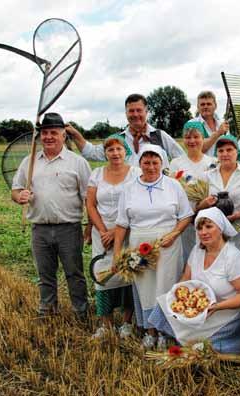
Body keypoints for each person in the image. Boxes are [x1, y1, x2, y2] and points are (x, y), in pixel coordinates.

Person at [114, 144, 193, 350]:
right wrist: (117, 254)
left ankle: (165, 333)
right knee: (146, 288)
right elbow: (122, 223)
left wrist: (174, 234)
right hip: (139, 245)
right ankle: (150, 331)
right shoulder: (129, 188)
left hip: (168, 244)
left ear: (162, 163)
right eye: (146, 162)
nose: (150, 167)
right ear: (139, 163)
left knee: (166, 286)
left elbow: (186, 215)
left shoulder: (173, 186)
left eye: (155, 162)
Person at [11, 112, 91, 319]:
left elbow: (88, 198)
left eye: (53, 132)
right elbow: (15, 190)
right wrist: (20, 196)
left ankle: (80, 313)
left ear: (63, 135)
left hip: (69, 228)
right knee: (45, 276)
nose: (48, 137)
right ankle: (47, 312)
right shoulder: (29, 162)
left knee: (74, 274)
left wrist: (90, 225)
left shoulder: (77, 163)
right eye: (45, 133)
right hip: (40, 228)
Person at [148, 207, 240, 353]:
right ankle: (171, 338)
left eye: (209, 226)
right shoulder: (198, 250)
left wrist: (215, 307)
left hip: (223, 310)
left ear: (220, 228)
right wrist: (177, 296)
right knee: (163, 303)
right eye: (199, 228)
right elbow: (185, 278)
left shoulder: (233, 257)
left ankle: (193, 341)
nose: (203, 232)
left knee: (205, 347)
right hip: (197, 305)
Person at [87, 134, 140, 339]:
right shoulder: (97, 174)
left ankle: (126, 323)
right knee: (102, 276)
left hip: (126, 231)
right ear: (105, 153)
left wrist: (115, 232)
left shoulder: (135, 173)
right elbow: (90, 204)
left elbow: (136, 203)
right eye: (110, 150)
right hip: (101, 233)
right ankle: (105, 324)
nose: (115, 153)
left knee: (127, 275)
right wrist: (102, 231)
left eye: (119, 149)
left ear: (125, 151)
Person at [66, 93, 184, 166]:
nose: (135, 114)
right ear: (126, 113)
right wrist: (76, 134)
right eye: (131, 111)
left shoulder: (160, 136)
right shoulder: (118, 139)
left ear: (146, 112)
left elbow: (181, 159)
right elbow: (92, 153)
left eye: (139, 110)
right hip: (127, 198)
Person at [196, 135, 240, 257]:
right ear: (216, 153)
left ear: (237, 152)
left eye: (229, 150)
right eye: (221, 151)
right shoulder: (206, 176)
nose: (225, 154)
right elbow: (197, 207)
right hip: (213, 232)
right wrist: (205, 203)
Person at [169, 120, 216, 261]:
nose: (192, 141)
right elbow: (172, 192)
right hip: (185, 221)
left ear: (203, 139)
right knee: (187, 257)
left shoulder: (212, 162)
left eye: (196, 137)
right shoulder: (176, 163)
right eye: (188, 137)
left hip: (208, 219)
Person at [191, 91, 229, 156]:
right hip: (201, 166)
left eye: (209, 104)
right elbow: (197, 150)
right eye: (202, 104)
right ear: (198, 107)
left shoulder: (222, 124)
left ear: (215, 106)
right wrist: (218, 133)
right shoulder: (192, 124)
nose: (205, 107)